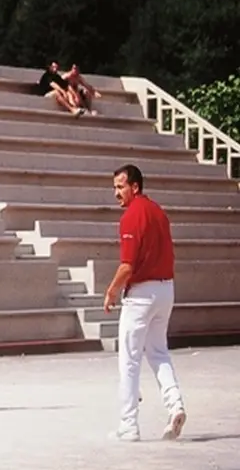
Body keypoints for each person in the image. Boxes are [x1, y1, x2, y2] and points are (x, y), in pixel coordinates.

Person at [103, 164, 186, 442]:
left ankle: (128, 425)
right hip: (166, 290)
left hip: (141, 295)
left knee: (129, 359)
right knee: (159, 352)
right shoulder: (159, 212)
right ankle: (175, 404)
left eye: (120, 186)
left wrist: (111, 291)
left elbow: (127, 266)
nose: (116, 193)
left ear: (134, 186)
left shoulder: (131, 217)